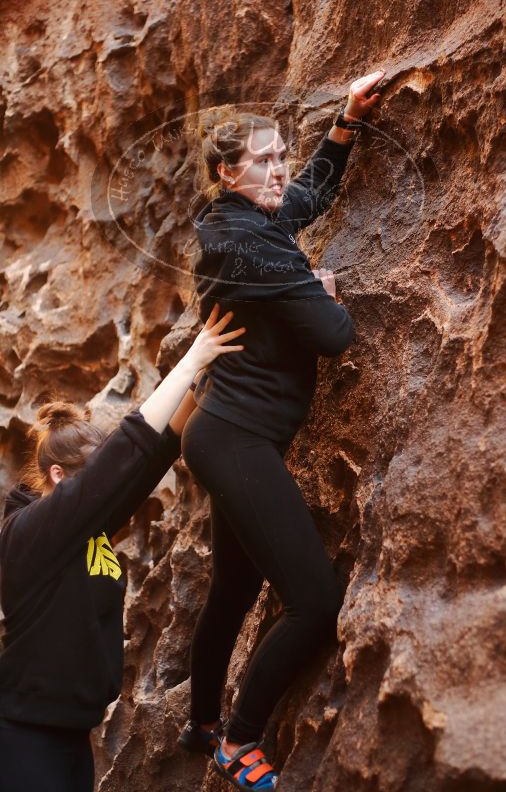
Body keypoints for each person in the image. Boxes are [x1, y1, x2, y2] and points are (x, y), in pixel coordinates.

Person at [178, 71, 385, 790]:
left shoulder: (241, 222)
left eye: (281, 154)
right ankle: (239, 741)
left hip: (226, 434)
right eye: (264, 160)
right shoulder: (248, 250)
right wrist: (321, 288)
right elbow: (333, 333)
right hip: (235, 440)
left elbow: (309, 196)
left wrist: (348, 120)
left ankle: (201, 721)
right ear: (226, 172)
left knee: (234, 588)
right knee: (315, 602)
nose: (280, 169)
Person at [0, 303, 246, 792]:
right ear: (58, 476)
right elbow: (125, 454)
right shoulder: (27, 534)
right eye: (94, 473)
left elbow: (147, 457)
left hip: (72, 733)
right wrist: (193, 357)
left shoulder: (87, 527)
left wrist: (210, 379)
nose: (104, 482)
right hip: (23, 736)